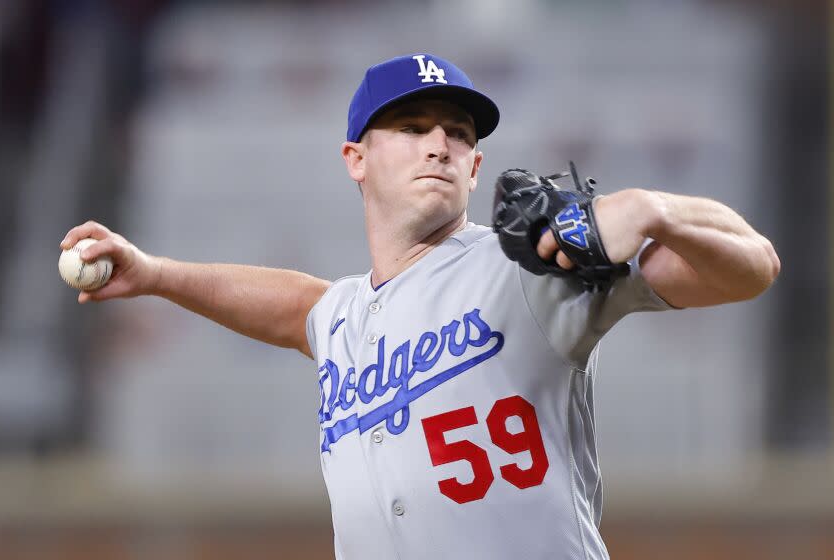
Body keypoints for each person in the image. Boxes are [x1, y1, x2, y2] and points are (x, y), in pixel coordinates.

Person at [60, 53, 780, 560]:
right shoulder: (343, 318)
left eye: (458, 134)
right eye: (411, 127)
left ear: (474, 167)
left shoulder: (531, 265)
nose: (439, 142)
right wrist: (155, 273)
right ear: (356, 158)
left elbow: (752, 270)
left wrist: (653, 209)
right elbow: (298, 307)